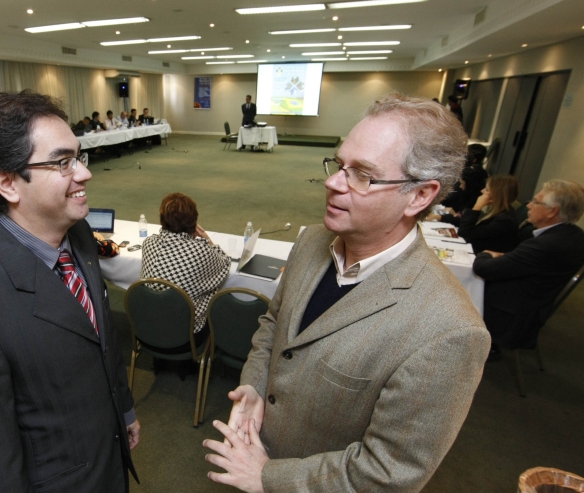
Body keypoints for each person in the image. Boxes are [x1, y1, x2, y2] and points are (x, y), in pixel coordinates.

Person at [203, 93, 490, 493]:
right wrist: (253, 385)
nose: (332, 182)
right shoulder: (310, 242)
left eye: (362, 174)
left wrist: (268, 478)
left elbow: (389, 473)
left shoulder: (449, 331)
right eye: (339, 165)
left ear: (419, 196)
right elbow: (275, 326)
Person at [0, 90, 139, 493]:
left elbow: (100, 341)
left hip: (107, 458)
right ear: (7, 183)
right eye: (63, 162)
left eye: (79, 156)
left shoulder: (79, 234)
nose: (84, 173)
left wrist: (123, 408)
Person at [473, 179, 584, 356]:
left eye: (535, 201)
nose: (529, 206)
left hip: (511, 313)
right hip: (531, 305)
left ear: (552, 211)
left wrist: (486, 253)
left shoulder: (545, 245)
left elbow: (483, 268)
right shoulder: (573, 235)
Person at [140, 192, 231, 350]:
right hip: (185, 339)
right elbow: (224, 263)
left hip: (147, 331)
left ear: (162, 220)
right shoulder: (201, 251)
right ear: (194, 221)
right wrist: (207, 239)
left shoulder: (148, 243)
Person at [457, 175, 520, 254]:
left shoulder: (505, 220)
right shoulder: (497, 211)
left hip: (483, 259)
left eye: (486, 189)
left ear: (497, 194)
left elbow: (464, 233)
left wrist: (477, 207)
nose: (482, 191)